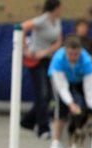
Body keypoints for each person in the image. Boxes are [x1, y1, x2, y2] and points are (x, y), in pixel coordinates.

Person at [48, 36, 92, 148]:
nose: (73, 57)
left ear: (80, 51)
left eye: (76, 54)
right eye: (70, 54)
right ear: (65, 50)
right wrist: (70, 104)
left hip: (80, 81)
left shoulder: (87, 60)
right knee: (60, 110)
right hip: (61, 80)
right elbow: (61, 87)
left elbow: (90, 87)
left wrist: (91, 106)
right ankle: (55, 141)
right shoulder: (58, 59)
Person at [20, 0, 62, 139]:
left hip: (48, 59)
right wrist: (26, 49)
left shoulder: (57, 21)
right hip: (36, 60)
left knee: (48, 95)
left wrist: (47, 51)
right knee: (43, 93)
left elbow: (58, 41)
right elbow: (22, 27)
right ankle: (43, 128)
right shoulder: (42, 20)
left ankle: (27, 121)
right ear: (55, 8)